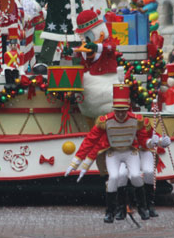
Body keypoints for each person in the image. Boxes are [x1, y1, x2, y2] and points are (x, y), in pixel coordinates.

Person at [65, 83, 168, 222]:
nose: (120, 114)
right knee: (115, 177)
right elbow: (91, 140)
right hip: (113, 154)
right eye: (117, 110)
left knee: (137, 176)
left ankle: (144, 207)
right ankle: (113, 211)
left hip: (132, 153)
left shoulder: (137, 121)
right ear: (113, 109)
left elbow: (144, 141)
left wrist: (156, 142)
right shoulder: (105, 121)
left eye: (123, 110)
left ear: (128, 108)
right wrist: (77, 160)